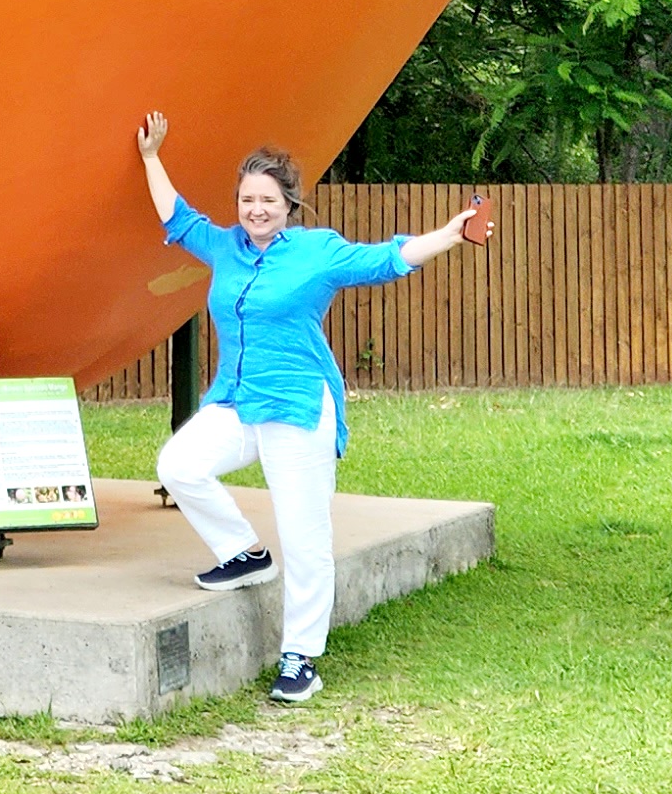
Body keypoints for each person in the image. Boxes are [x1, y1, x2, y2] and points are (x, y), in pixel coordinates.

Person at [136, 111, 485, 708]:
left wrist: (450, 234)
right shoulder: (225, 247)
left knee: (305, 537)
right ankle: (243, 553)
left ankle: (301, 658)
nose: (256, 210)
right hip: (240, 402)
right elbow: (177, 216)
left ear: (289, 204)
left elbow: (385, 260)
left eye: (267, 200)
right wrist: (151, 158)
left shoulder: (317, 252)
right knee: (179, 465)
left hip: (298, 408)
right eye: (247, 199)